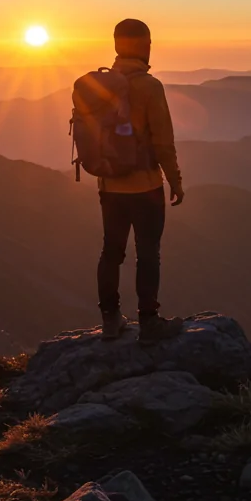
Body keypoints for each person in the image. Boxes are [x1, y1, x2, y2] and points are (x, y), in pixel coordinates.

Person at [97, 18, 185, 343]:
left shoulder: (100, 84)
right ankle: (149, 323)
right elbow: (163, 141)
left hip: (108, 185)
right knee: (147, 253)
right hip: (145, 186)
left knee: (111, 252)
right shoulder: (150, 87)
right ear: (146, 45)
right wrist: (175, 180)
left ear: (116, 44)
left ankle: (110, 321)